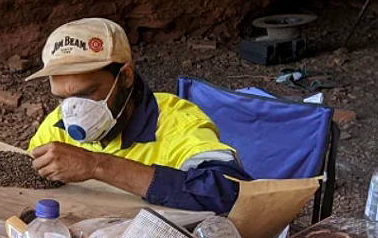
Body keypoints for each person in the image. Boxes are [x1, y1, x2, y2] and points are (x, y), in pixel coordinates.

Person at [26, 18, 252, 214]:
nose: (72, 110)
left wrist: (96, 166)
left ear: (125, 77)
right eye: (62, 98)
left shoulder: (178, 124)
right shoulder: (57, 125)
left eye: (85, 94)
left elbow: (235, 195)